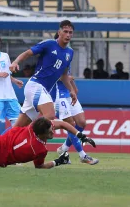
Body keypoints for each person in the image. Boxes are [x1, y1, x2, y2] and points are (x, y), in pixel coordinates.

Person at [9, 20, 77, 127]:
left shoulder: (70, 52)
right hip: (36, 85)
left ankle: (5, 141)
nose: (68, 35)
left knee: (18, 128)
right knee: (49, 115)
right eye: (65, 31)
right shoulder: (49, 44)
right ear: (59, 32)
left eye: (70, 32)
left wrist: (71, 90)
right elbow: (28, 53)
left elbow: (64, 75)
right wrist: (15, 62)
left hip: (43, 90)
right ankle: (33, 136)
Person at [52, 33, 98, 165]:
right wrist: (67, 79)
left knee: (82, 123)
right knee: (71, 126)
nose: (68, 40)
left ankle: (64, 148)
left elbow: (67, 75)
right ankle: (82, 155)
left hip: (68, 93)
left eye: (69, 37)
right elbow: (57, 75)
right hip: (59, 96)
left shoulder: (68, 54)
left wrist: (73, 87)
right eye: (65, 37)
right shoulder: (54, 55)